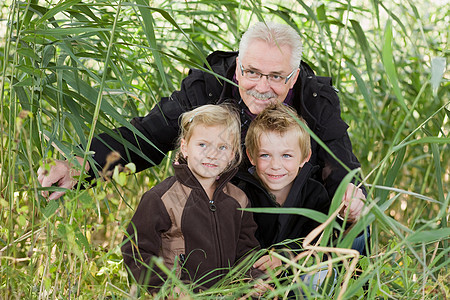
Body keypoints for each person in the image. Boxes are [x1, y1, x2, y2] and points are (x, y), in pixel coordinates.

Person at [38, 21, 365, 221]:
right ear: (238, 67)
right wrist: (84, 162)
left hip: (292, 213)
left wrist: (351, 196)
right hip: (228, 213)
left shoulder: (315, 98)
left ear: (292, 77)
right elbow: (151, 132)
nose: (261, 87)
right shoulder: (209, 85)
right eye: (251, 72)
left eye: (276, 77)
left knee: (355, 223)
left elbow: (339, 161)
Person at [121, 104, 263, 294]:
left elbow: (247, 253)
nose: (212, 154)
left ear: (232, 154)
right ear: (185, 147)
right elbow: (136, 251)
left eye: (222, 147)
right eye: (202, 144)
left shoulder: (238, 200)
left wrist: (253, 283)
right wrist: (167, 290)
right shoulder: (161, 198)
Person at [235, 104, 331, 266]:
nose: (275, 165)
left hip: (298, 275)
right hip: (252, 277)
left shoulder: (314, 194)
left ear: (305, 157)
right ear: (251, 157)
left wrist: (286, 257)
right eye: (265, 155)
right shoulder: (240, 194)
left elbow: (320, 243)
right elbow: (236, 244)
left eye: (286, 155)